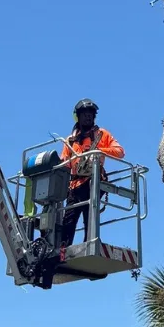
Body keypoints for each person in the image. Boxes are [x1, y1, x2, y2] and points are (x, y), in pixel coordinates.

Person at [57, 98, 124, 248]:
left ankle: (89, 245)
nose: (88, 116)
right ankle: (62, 250)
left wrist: (99, 151)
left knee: (90, 216)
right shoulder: (70, 140)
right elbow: (64, 162)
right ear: (78, 117)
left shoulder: (102, 134)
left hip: (93, 182)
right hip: (74, 186)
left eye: (90, 114)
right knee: (68, 221)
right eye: (84, 114)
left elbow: (120, 152)